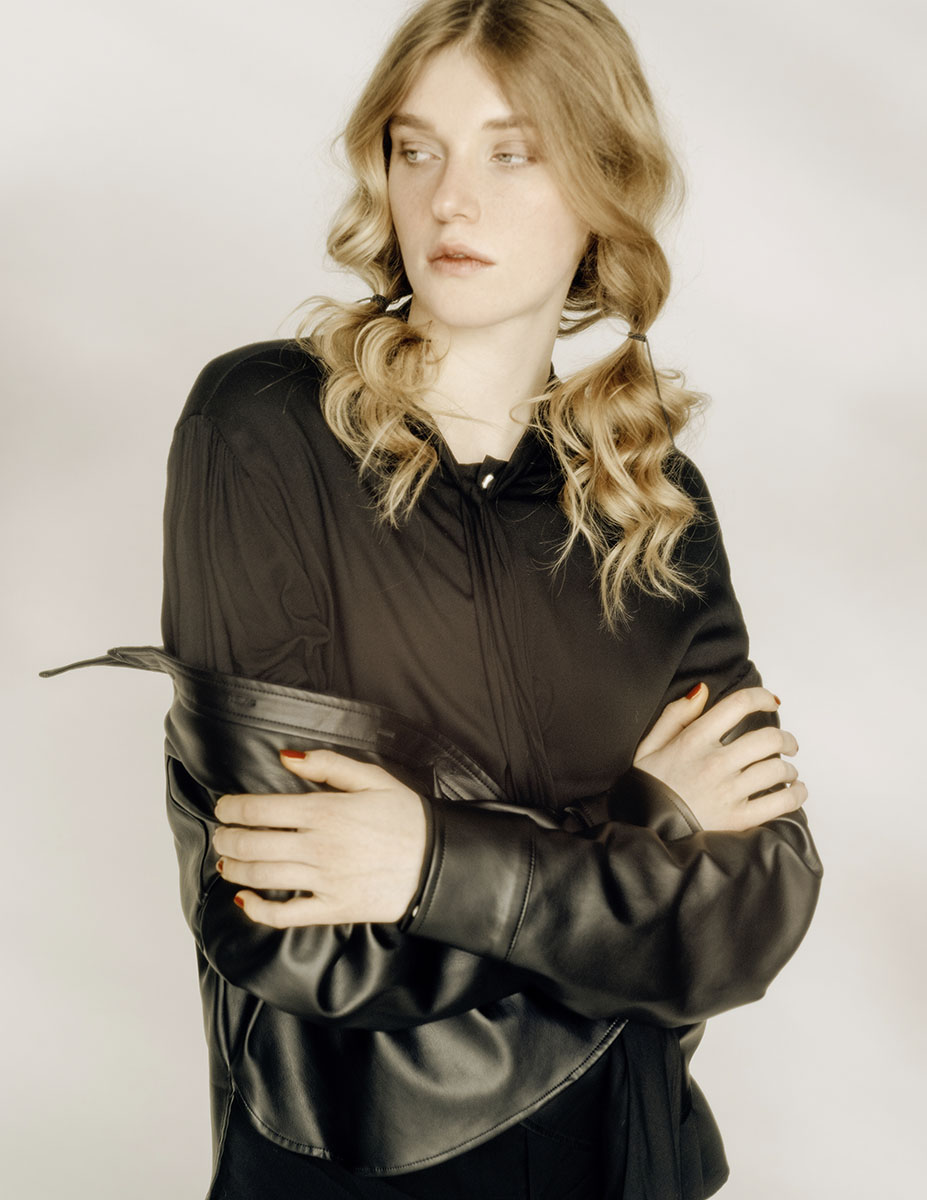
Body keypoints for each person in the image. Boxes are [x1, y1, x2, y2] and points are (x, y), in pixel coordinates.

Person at [151, 1, 822, 1197]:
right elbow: (302, 930)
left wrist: (426, 862)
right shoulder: (265, 428)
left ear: (603, 187)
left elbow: (756, 909)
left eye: (514, 153)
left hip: (633, 1155)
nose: (451, 201)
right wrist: (650, 826)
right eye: (419, 150)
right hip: (352, 1167)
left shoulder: (652, 497)